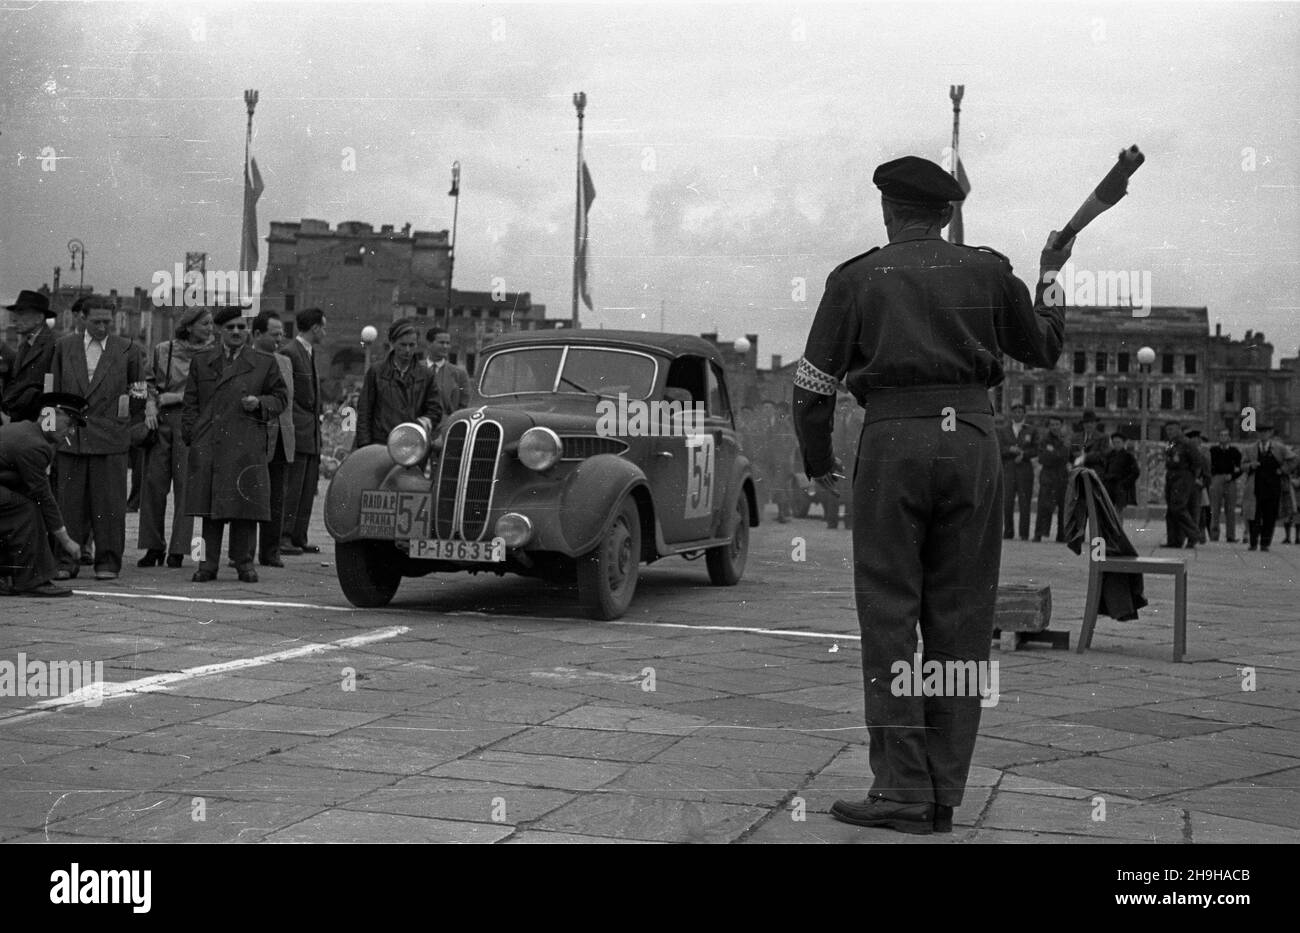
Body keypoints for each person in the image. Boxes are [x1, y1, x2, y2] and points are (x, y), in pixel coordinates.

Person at [793, 154, 1069, 835]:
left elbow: (812, 386)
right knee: (963, 620)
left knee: (890, 614)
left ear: (888, 210)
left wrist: (819, 459)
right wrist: (1052, 276)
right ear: (947, 215)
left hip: (894, 442)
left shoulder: (857, 278)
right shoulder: (988, 272)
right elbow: (1044, 349)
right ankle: (944, 790)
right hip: (974, 440)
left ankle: (900, 787)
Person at [182, 307, 288, 582]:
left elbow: (281, 399)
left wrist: (260, 403)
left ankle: (244, 564)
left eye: (242, 327)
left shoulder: (265, 362)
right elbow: (191, 401)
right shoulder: (203, 360)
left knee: (245, 508)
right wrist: (192, 435)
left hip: (246, 443)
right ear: (219, 330)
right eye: (230, 328)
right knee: (209, 511)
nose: (237, 332)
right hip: (210, 442)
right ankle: (206, 566)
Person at [49, 295, 150, 580]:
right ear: (81, 318)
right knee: (68, 505)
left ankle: (107, 562)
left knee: (110, 505)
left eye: (108, 321)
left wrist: (124, 421)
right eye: (96, 322)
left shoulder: (129, 349)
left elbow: (139, 391)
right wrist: (50, 432)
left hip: (111, 439)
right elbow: (51, 391)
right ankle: (67, 561)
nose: (103, 327)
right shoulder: (63, 347)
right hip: (71, 440)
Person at [137, 307, 214, 568]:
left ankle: (178, 549)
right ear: (189, 326)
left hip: (192, 423)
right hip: (160, 421)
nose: (210, 329)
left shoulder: (214, 354)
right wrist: (150, 404)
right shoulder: (163, 350)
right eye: (204, 324)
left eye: (211, 324)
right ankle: (152, 546)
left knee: (185, 487)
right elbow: (147, 382)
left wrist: (177, 397)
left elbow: (213, 392)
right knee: (153, 485)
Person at [0, 393, 89, 597]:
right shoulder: (35, 445)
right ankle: (32, 580)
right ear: (51, 417)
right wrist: (66, 541)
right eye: (70, 423)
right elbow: (44, 497)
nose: (71, 432)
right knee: (26, 510)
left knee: (19, 506)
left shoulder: (27, 431)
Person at [250, 311, 296, 567]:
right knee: (252, 494)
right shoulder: (248, 359)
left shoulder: (285, 361)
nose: (280, 338)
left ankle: (270, 551)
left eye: (281, 334)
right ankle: (244, 552)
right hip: (257, 435)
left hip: (282, 437)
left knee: (277, 498)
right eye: (274, 334)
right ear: (257, 334)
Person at [280, 307, 326, 555]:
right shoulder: (290, 352)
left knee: (307, 487)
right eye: (324, 327)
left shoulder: (308, 352)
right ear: (316, 328)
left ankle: (298, 535)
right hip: (298, 430)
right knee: (293, 487)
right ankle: (284, 536)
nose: (325, 332)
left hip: (310, 432)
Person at [354, 318, 441, 449]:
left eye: (412, 345)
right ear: (393, 343)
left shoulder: (426, 375)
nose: (407, 350)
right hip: (380, 444)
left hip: (412, 447)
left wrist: (421, 424)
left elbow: (435, 410)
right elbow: (365, 410)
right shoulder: (376, 372)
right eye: (403, 345)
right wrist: (365, 445)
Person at [1, 290, 59, 423]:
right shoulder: (25, 345)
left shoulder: (54, 346)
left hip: (38, 425)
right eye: (15, 313)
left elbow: (52, 393)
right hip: (20, 422)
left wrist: (47, 429)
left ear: (39, 318)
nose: (15, 318)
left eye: (21, 313)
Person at [1241, 425, 1293, 552]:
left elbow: (1294, 459)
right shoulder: (1250, 449)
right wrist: (1250, 465)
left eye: (1266, 432)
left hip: (1273, 488)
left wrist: (1283, 470)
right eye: (1260, 432)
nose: (1263, 435)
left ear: (1270, 433)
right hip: (1256, 487)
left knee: (1270, 516)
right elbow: (1242, 465)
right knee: (1254, 516)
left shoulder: (1279, 448)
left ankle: (1265, 543)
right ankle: (1253, 543)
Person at [997, 402, 1037, 540]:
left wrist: (1024, 454)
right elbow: (999, 448)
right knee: (1007, 502)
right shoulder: (1003, 430)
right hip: (1008, 470)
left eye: (1020, 411)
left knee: (1024, 503)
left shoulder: (1031, 430)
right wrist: (1009, 450)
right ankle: (1008, 532)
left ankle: (1024, 533)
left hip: (1025, 470)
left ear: (1024, 414)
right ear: (1011, 414)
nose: (1018, 414)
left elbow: (1036, 449)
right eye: (1015, 411)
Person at [1160, 421, 1201, 549]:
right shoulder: (1171, 444)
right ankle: (1174, 541)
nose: (1169, 432)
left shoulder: (1186, 443)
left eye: (1172, 430)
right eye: (1167, 430)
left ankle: (1194, 534)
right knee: (1171, 510)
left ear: (1179, 430)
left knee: (1178, 506)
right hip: (1172, 476)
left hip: (1183, 476)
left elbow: (1197, 461)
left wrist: (1191, 477)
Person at [1033, 414, 1069, 542]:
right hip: (1048, 477)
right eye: (1052, 425)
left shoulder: (1065, 439)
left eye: (1057, 424)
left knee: (1063, 507)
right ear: (1049, 426)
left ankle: (1062, 535)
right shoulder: (1044, 440)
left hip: (1062, 477)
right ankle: (1038, 534)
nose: (1054, 427)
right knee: (1043, 506)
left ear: (1061, 425)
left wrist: (1053, 455)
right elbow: (1042, 458)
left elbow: (1066, 456)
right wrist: (1057, 456)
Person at [425, 327, 471, 415]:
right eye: (441, 343)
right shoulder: (415, 369)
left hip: (447, 424)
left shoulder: (459, 374)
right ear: (429, 344)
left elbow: (464, 404)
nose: (445, 346)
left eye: (447, 343)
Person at [1208, 429, 1243, 542]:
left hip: (1229, 480)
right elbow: (1208, 464)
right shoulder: (1213, 450)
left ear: (1229, 438)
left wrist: (1232, 476)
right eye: (1221, 435)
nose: (1223, 437)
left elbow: (1240, 467)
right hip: (1217, 478)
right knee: (1215, 508)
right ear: (1218, 437)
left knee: (1230, 509)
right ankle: (1214, 535)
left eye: (1226, 435)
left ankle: (1230, 535)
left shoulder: (1235, 451)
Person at [1102, 432, 1140, 523]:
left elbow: (1135, 472)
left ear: (1123, 443)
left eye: (1118, 442)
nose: (1116, 445)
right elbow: (1104, 469)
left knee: (1118, 511)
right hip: (1109, 486)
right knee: (1108, 511)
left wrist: (1124, 483)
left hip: (1120, 487)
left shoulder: (1128, 456)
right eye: (1114, 443)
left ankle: (1119, 533)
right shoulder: (1109, 455)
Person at [1184, 429, 1212, 544]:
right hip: (1186, 486)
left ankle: (1199, 536)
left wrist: (1203, 483)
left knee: (1199, 512)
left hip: (1198, 486)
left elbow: (1207, 472)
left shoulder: (1203, 453)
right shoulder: (1185, 452)